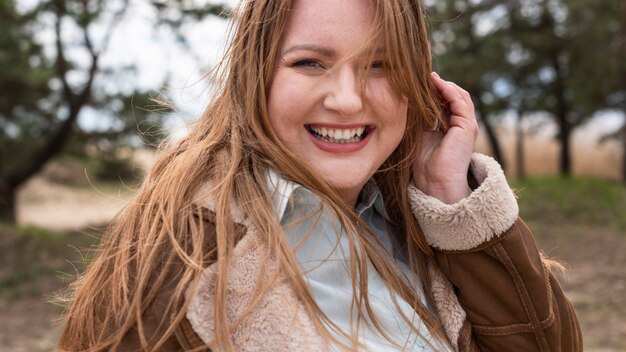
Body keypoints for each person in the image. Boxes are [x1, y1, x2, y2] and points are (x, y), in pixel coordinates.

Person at [57, 0, 582, 351]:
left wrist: (452, 201)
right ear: (256, 74)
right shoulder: (187, 245)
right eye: (310, 63)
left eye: (380, 65)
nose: (348, 99)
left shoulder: (424, 220)